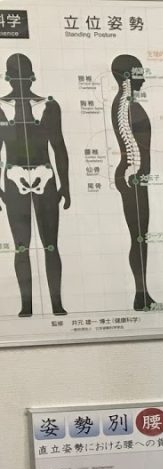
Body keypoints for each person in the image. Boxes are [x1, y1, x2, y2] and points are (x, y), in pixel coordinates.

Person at [0, 53, 70, 317]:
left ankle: (56, 304)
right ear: (8, 78)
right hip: (14, 177)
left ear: (31, 76)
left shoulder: (48, 106)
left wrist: (65, 184)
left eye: (23, 76)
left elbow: (59, 146)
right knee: (22, 246)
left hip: (45, 175)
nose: (20, 81)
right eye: (15, 76)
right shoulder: (1, 107)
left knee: (51, 244)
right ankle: (27, 305)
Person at [110, 54, 163, 312]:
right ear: (126, 76)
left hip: (136, 176)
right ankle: (140, 296)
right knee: (139, 237)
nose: (143, 78)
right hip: (131, 176)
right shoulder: (124, 105)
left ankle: (142, 295)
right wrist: (137, 174)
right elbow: (131, 144)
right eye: (138, 73)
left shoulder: (128, 104)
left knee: (141, 238)